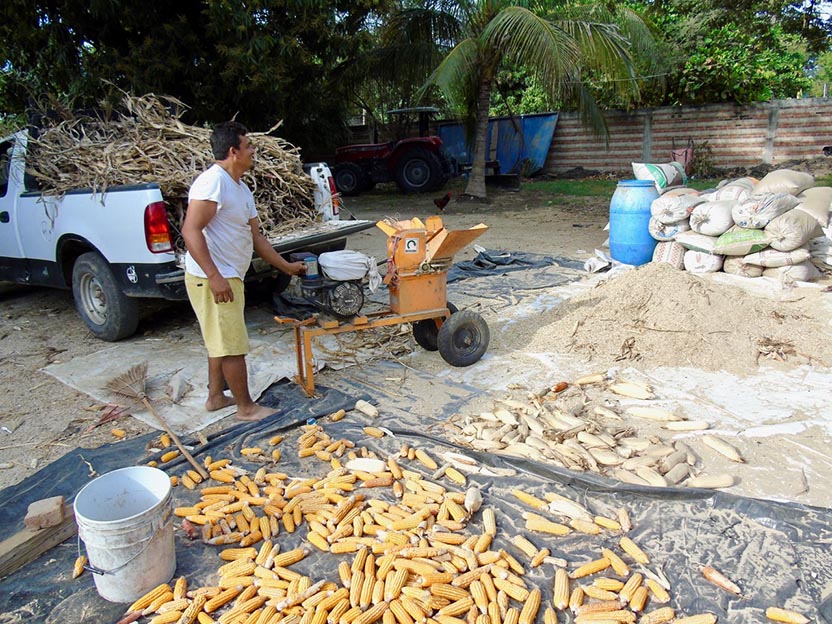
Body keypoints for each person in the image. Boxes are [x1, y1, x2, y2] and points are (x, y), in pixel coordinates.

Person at [182, 121, 306, 421]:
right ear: (233, 151)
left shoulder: (240, 188)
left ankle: (215, 397)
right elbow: (190, 230)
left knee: (220, 341)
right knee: (232, 345)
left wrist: (287, 267)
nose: (253, 151)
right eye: (248, 146)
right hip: (212, 277)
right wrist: (214, 276)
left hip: (227, 275)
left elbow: (256, 238)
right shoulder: (213, 182)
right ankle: (246, 407)